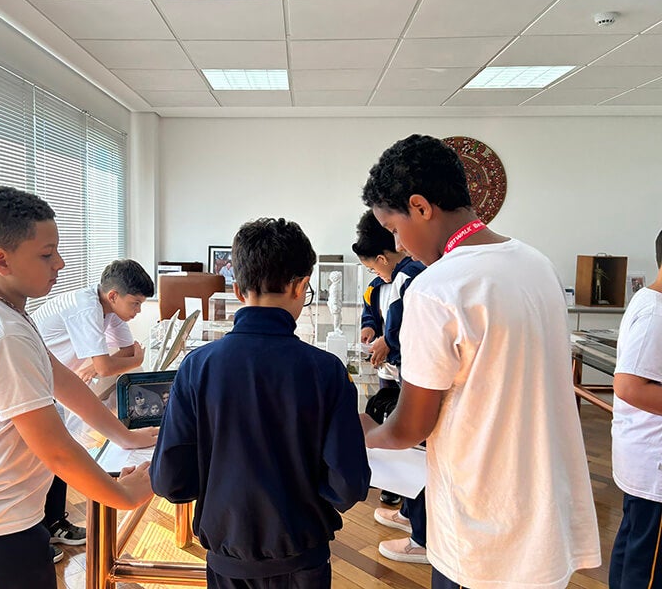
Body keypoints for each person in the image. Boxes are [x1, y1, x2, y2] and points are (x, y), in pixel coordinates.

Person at [358, 135, 601, 588]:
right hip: (546, 514)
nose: (399, 243)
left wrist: (368, 432)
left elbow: (412, 426)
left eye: (393, 228)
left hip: (481, 527)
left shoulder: (437, 288)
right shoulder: (537, 264)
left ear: (420, 207)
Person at [0, 186, 155, 589]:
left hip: (9, 517)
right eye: (46, 254)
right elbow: (56, 450)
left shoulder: (6, 309)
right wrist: (123, 495)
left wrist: (124, 436)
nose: (59, 263)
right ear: (0, 260)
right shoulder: (1, 333)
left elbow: (64, 381)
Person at [150, 217, 371, 588]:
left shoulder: (197, 367)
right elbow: (348, 484)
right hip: (303, 557)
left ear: (238, 290)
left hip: (227, 560)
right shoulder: (326, 370)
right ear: (301, 286)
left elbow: (170, 480)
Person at [32, 259, 156, 552]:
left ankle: (54, 523)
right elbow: (108, 365)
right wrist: (135, 360)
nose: (138, 311)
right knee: (46, 460)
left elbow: (119, 356)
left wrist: (115, 362)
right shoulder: (86, 307)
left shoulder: (111, 310)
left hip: (58, 382)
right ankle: (40, 534)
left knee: (58, 453)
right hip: (36, 383)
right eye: (135, 304)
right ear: (113, 295)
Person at [352, 208, 427, 562]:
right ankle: (410, 514)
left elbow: (406, 326)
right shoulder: (382, 284)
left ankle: (423, 538)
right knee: (406, 446)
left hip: (413, 377)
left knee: (414, 451)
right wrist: (371, 329)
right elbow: (374, 312)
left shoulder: (410, 276)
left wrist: (388, 341)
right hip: (398, 375)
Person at [608, 229, 662, 588]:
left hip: (643, 455)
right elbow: (629, 386)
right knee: (648, 563)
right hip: (653, 460)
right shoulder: (656, 312)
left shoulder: (649, 301)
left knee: (634, 543)